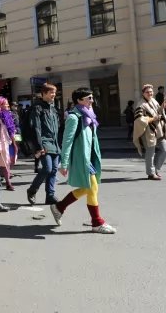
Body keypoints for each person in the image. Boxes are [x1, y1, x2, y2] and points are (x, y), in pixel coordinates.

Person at [50, 87, 116, 234]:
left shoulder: (89, 115)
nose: (92, 101)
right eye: (89, 98)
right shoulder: (74, 117)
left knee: (88, 188)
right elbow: (67, 142)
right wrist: (64, 163)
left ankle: (59, 207)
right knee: (92, 187)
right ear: (79, 100)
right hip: (81, 158)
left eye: (92, 97)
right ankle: (97, 223)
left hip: (90, 156)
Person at [27, 83, 61, 205]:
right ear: (44, 93)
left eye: (55, 92)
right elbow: (36, 128)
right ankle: (32, 190)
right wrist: (39, 147)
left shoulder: (53, 107)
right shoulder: (37, 108)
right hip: (44, 143)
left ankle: (50, 196)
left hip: (55, 143)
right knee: (47, 168)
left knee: (54, 170)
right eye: (51, 92)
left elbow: (58, 127)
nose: (54, 95)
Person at [133, 85, 166, 180]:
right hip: (148, 131)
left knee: (165, 148)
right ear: (143, 93)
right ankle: (151, 173)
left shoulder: (153, 100)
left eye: (151, 91)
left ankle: (155, 168)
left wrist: (164, 105)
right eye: (147, 92)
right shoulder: (141, 105)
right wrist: (152, 119)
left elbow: (159, 110)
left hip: (158, 130)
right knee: (150, 152)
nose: (150, 93)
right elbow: (138, 119)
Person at [0, 97, 15, 191]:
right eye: (5, 103)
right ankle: (8, 183)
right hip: (1, 144)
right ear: (0, 105)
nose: (8, 105)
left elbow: (10, 129)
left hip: (8, 142)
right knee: (3, 164)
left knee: (7, 162)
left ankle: (2, 179)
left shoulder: (8, 115)